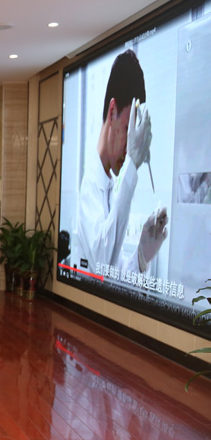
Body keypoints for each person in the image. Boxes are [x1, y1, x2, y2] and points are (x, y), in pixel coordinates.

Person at [76, 49, 165, 275]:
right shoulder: (88, 185)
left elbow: (116, 271)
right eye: (127, 130)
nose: (129, 147)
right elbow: (102, 264)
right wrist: (133, 166)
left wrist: (142, 255)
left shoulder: (109, 188)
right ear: (112, 110)